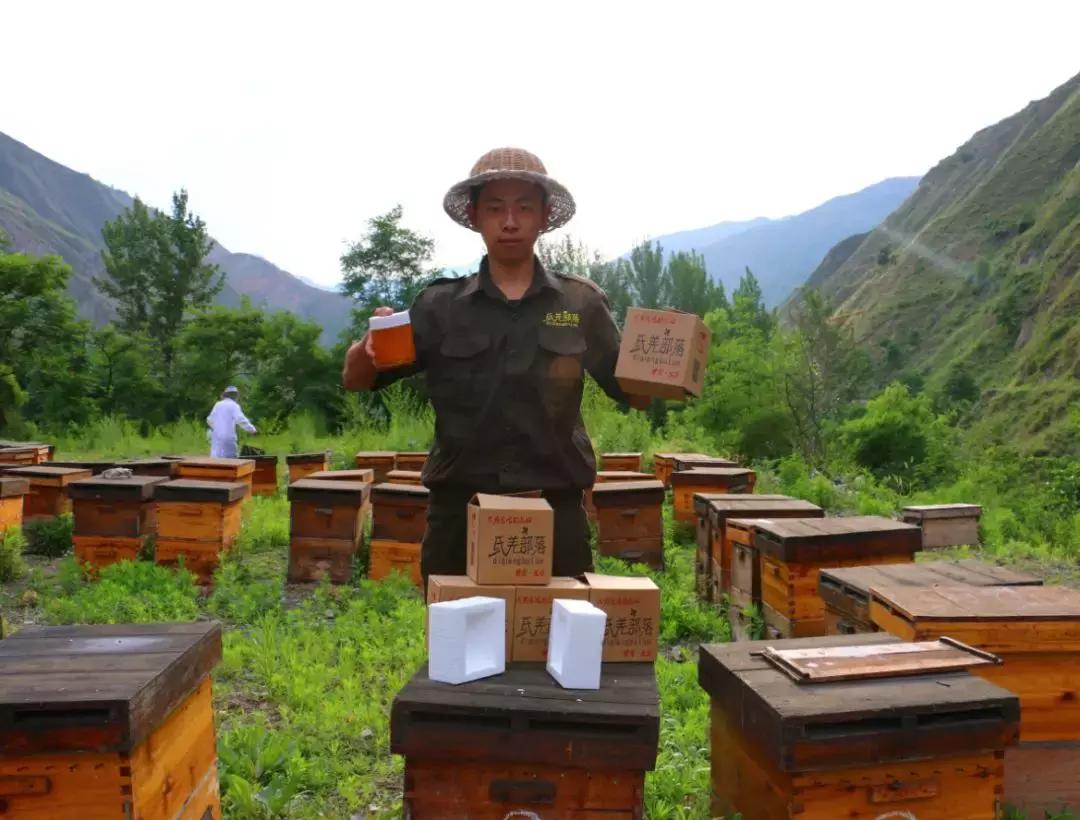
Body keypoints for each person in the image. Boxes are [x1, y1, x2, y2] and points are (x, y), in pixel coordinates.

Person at [343, 147, 648, 583]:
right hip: (458, 513)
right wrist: (363, 349)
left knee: (553, 647)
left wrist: (667, 365)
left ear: (543, 216)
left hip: (555, 510)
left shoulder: (579, 303)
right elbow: (358, 381)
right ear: (475, 216)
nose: (510, 221)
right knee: (457, 650)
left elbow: (633, 394)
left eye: (524, 207)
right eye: (496, 208)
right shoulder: (440, 305)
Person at [206, 386, 256, 458]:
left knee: (216, 462)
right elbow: (240, 419)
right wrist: (252, 430)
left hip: (216, 437)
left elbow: (209, 419)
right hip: (228, 438)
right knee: (231, 462)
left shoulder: (217, 405)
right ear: (235, 396)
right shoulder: (234, 405)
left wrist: (218, 428)